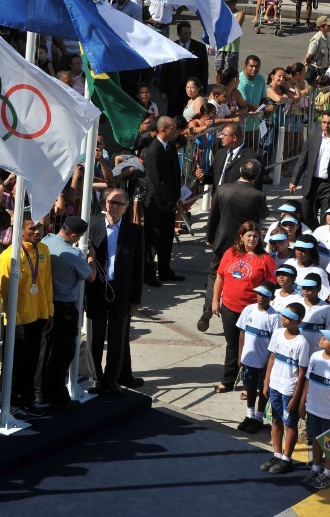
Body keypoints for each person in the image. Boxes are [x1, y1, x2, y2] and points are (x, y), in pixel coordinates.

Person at [85, 189, 144, 395]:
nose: (115, 207)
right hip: (96, 289)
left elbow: (139, 268)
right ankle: (95, 378)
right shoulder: (92, 225)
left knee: (118, 339)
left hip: (121, 293)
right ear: (105, 203)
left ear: (126, 207)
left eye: (119, 204)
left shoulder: (134, 231)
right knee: (95, 338)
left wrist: (135, 299)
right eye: (111, 202)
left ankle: (111, 380)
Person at [199, 159, 268, 333]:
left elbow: (213, 216)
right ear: (257, 176)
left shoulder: (223, 189)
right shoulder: (257, 195)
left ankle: (208, 306)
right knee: (244, 274)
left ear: (239, 170)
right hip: (247, 243)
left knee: (216, 273)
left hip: (223, 240)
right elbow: (264, 214)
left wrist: (210, 236)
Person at [38, 215, 97, 409]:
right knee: (63, 352)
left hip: (45, 305)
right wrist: (91, 258)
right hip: (64, 308)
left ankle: (41, 391)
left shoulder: (46, 241)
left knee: (44, 352)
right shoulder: (72, 254)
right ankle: (57, 395)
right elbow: (91, 277)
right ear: (73, 235)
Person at [212, 221, 276, 394]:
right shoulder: (230, 253)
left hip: (252, 310)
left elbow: (271, 286)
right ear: (241, 236)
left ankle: (249, 386)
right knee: (232, 345)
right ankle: (228, 380)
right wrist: (215, 300)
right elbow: (219, 277)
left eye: (256, 236)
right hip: (229, 307)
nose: (252, 238)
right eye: (249, 235)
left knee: (251, 346)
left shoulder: (266, 259)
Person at [0, 212, 53, 415]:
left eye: (40, 228)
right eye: (32, 229)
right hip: (18, 320)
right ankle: (11, 404)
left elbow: (46, 284)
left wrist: (49, 312)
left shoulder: (44, 250)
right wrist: (16, 322)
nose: (38, 232)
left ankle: (28, 401)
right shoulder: (9, 256)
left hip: (38, 316)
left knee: (31, 362)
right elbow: (6, 295)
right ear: (20, 232)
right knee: (14, 365)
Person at [261, 302, 308, 475]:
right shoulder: (278, 333)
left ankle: (287, 459)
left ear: (299, 321)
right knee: (275, 420)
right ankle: (277, 454)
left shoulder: (302, 343)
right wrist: (266, 382)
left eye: (288, 317)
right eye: (283, 315)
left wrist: (296, 397)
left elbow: (302, 372)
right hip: (275, 386)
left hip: (289, 390)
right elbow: (272, 358)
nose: (284, 319)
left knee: (290, 423)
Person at [143, 117, 183, 285]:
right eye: (172, 128)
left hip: (169, 202)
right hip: (157, 202)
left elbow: (174, 173)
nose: (175, 131)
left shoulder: (171, 147)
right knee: (153, 240)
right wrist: (171, 199)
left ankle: (165, 270)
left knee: (167, 238)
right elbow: (157, 180)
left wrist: (177, 197)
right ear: (163, 130)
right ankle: (149, 274)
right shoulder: (153, 151)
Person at [236, 280, 280, 434]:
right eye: (260, 293)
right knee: (250, 387)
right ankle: (249, 415)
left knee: (263, 390)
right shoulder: (248, 310)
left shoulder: (275, 317)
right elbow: (242, 333)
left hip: (263, 362)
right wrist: (240, 355)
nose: (261, 297)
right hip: (248, 359)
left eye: (265, 295)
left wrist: (268, 364)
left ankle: (258, 417)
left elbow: (275, 343)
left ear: (272, 297)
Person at [299, 329, 330, 491]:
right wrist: (303, 402)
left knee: (329, 445)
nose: (322, 339)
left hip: (328, 413)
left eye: (326, 338)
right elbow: (308, 381)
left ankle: (327, 473)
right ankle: (316, 468)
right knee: (316, 440)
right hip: (313, 408)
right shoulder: (315, 356)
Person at [159, 22, 208, 118]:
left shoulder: (199, 48)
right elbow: (165, 70)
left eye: (190, 33)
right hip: (174, 89)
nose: (188, 36)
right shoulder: (170, 47)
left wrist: (203, 90)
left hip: (192, 90)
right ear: (178, 33)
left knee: (192, 116)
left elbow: (204, 70)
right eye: (185, 33)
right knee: (173, 116)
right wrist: (162, 91)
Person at [290, 111, 330, 229]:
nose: (326, 126)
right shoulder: (314, 135)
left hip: (328, 186)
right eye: (324, 122)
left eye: (329, 123)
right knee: (307, 216)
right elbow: (303, 158)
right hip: (311, 183)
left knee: (326, 219)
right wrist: (294, 180)